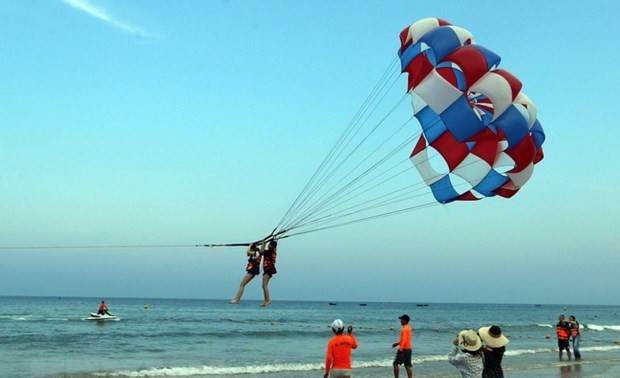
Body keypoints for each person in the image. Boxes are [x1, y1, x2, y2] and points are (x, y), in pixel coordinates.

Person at [260, 239, 277, 307]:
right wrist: (263, 244)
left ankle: (267, 300)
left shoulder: (270, 251)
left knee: (264, 285)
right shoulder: (272, 251)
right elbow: (262, 251)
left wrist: (263, 243)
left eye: (269, 244)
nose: (268, 245)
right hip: (268, 269)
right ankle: (266, 300)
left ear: (272, 245)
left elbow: (261, 252)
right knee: (264, 285)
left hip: (268, 269)